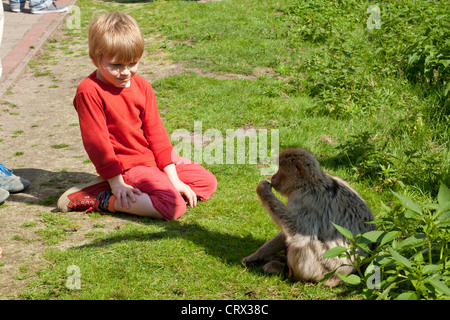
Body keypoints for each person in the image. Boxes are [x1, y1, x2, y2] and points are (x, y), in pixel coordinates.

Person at [57, 12, 217, 221]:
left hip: (151, 162)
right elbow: (97, 143)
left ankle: (154, 190)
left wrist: (173, 176)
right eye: (116, 65)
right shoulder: (89, 91)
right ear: (95, 59)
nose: (125, 72)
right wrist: (116, 184)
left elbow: (156, 132)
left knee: (206, 182)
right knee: (173, 207)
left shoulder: (142, 86)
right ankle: (99, 197)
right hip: (128, 167)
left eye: (132, 64)